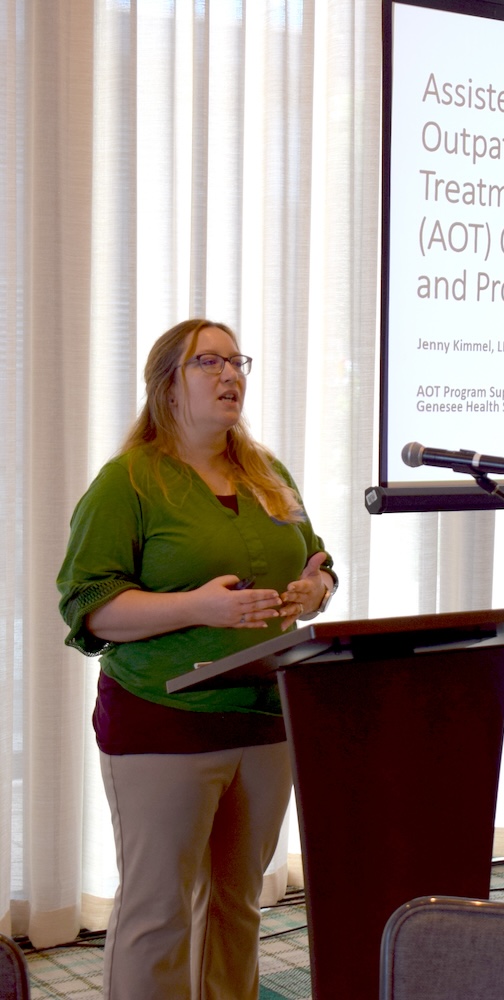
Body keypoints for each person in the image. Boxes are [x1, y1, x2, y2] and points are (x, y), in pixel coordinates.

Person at [57, 318, 337, 1000]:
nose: (229, 374)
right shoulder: (128, 481)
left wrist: (315, 588)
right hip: (165, 719)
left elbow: (319, 561)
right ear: (167, 385)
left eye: (236, 360)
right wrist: (195, 607)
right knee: (158, 912)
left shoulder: (269, 475)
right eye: (207, 362)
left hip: (266, 717)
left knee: (237, 907)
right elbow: (88, 605)